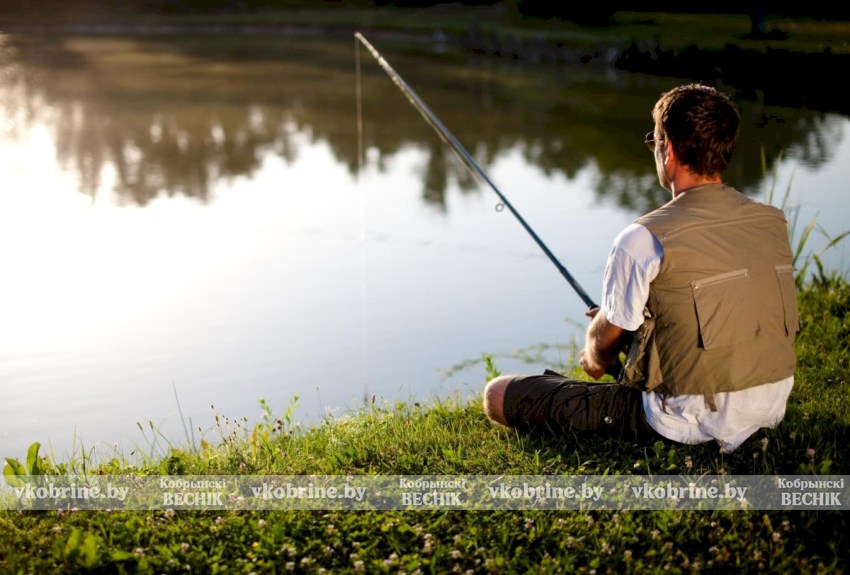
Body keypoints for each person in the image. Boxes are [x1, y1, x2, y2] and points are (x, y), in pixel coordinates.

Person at [482, 83, 800, 453]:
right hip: (770, 408)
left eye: (656, 142)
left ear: (669, 151)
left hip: (687, 425)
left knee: (498, 394)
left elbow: (603, 346)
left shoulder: (643, 237)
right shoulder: (770, 221)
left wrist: (593, 352)